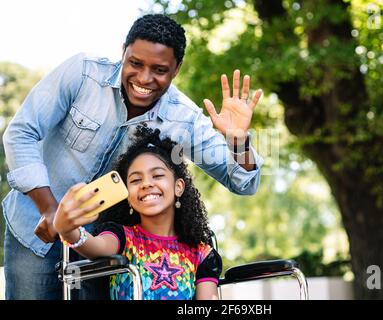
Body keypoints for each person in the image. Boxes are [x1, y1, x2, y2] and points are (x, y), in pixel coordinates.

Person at [2, 14, 263, 299]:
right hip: (34, 226)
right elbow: (21, 132)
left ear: (176, 69)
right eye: (135, 63)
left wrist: (237, 140)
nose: (144, 78)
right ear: (123, 50)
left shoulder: (183, 119)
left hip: (103, 247)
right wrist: (50, 211)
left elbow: (243, 182)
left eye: (160, 70)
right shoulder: (83, 74)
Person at [53, 127, 222, 300]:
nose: (146, 184)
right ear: (127, 193)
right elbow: (95, 247)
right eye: (135, 180)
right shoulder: (122, 237)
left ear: (178, 187)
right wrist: (67, 231)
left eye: (157, 176)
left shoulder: (201, 253)